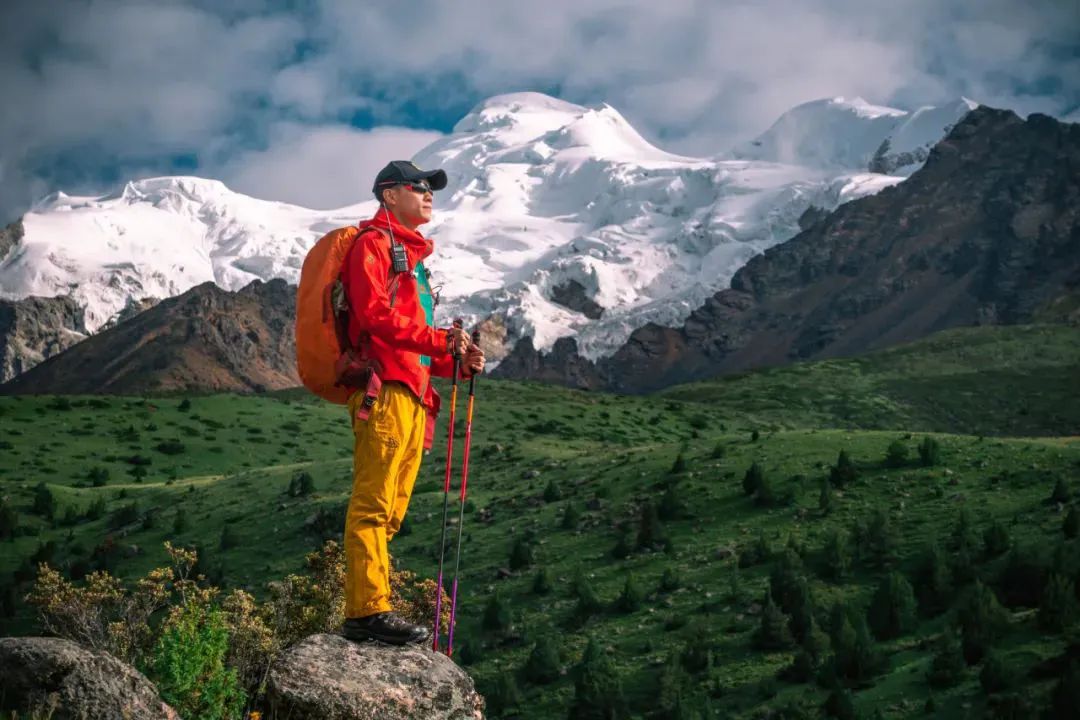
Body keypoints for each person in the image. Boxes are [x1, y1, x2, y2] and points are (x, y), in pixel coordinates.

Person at [339, 160, 484, 645]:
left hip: (414, 398)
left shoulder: (412, 259)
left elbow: (413, 347)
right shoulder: (373, 245)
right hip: (384, 393)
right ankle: (366, 612)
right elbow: (373, 316)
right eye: (417, 187)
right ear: (389, 195)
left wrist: (455, 362)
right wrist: (439, 339)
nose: (428, 194)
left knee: (392, 512)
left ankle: (371, 607)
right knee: (373, 505)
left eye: (430, 188)